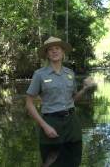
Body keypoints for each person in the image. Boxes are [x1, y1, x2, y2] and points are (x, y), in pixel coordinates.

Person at [25, 36, 96, 166]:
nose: (54, 51)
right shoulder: (39, 75)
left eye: (57, 48)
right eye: (50, 49)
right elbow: (29, 103)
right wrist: (44, 126)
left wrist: (85, 89)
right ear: (47, 54)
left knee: (74, 161)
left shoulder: (70, 73)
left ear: (63, 52)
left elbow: (73, 99)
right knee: (51, 162)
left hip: (72, 124)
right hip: (51, 123)